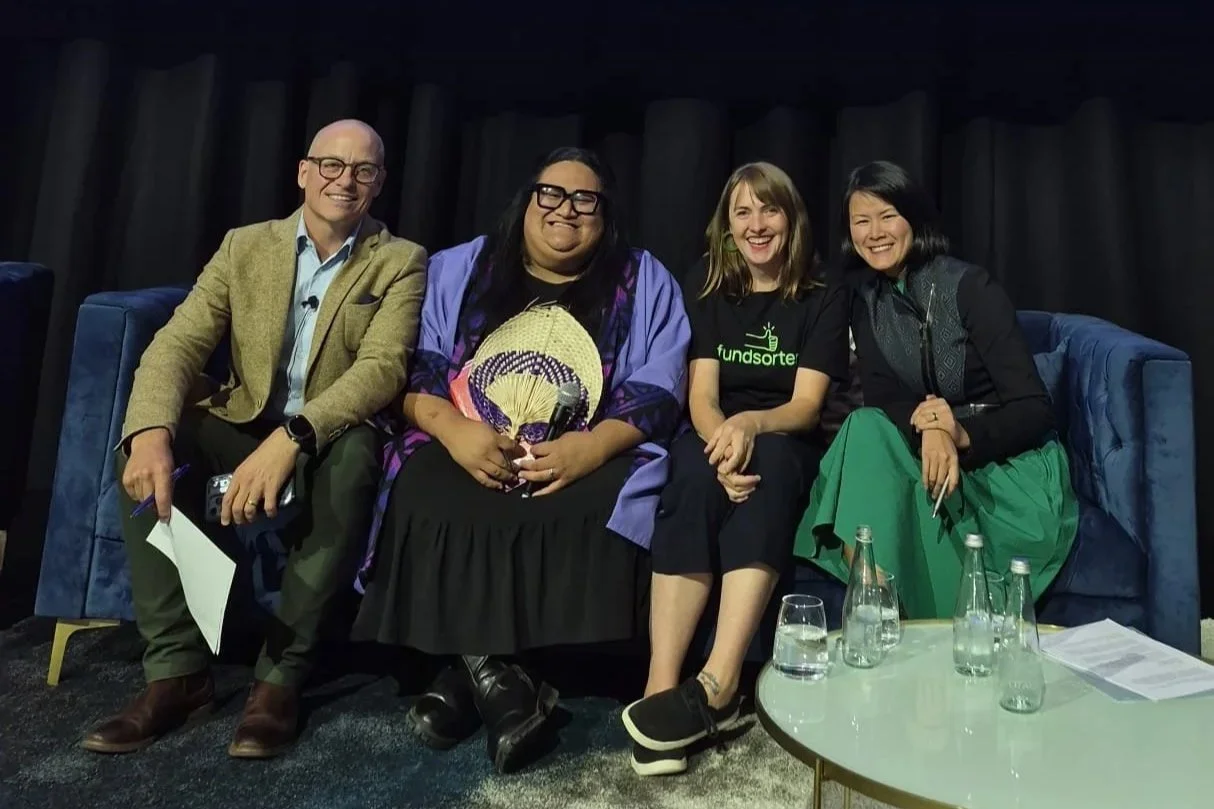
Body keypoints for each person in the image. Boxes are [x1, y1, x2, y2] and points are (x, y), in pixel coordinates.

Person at [82, 119, 428, 759]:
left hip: (326, 434)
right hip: (242, 420)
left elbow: (383, 369)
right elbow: (181, 342)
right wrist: (150, 429)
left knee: (356, 457)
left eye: (362, 170)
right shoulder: (245, 247)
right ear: (303, 172)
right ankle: (176, 672)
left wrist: (293, 437)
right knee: (150, 447)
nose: (343, 181)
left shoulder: (399, 260)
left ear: (379, 183)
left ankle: (278, 681)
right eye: (330, 165)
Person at [351, 146, 691, 773]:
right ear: (527, 200)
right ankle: (507, 685)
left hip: (583, 447)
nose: (566, 210)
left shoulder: (642, 279)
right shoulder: (462, 267)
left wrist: (590, 447)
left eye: (585, 200)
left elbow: (661, 387)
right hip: (466, 439)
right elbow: (413, 367)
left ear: (605, 214)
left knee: (610, 495)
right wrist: (455, 432)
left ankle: (467, 677)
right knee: (422, 486)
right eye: (551, 194)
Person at [620, 162, 849, 776]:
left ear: (791, 219)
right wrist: (721, 439)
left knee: (767, 467)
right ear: (726, 224)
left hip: (783, 436)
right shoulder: (710, 283)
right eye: (742, 212)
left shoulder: (823, 295)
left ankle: (719, 685)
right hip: (717, 428)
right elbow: (701, 396)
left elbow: (803, 408)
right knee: (690, 474)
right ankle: (660, 685)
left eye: (768, 210)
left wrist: (750, 427)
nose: (756, 225)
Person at [794, 160, 1078, 618]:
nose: (875, 233)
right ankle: (874, 602)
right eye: (861, 221)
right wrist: (932, 429)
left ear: (914, 218)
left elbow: (1033, 409)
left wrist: (958, 433)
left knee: (870, 436)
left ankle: (895, 615)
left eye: (888, 216)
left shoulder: (971, 287)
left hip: (1004, 466)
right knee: (863, 426)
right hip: (926, 449)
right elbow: (887, 399)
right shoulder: (864, 299)